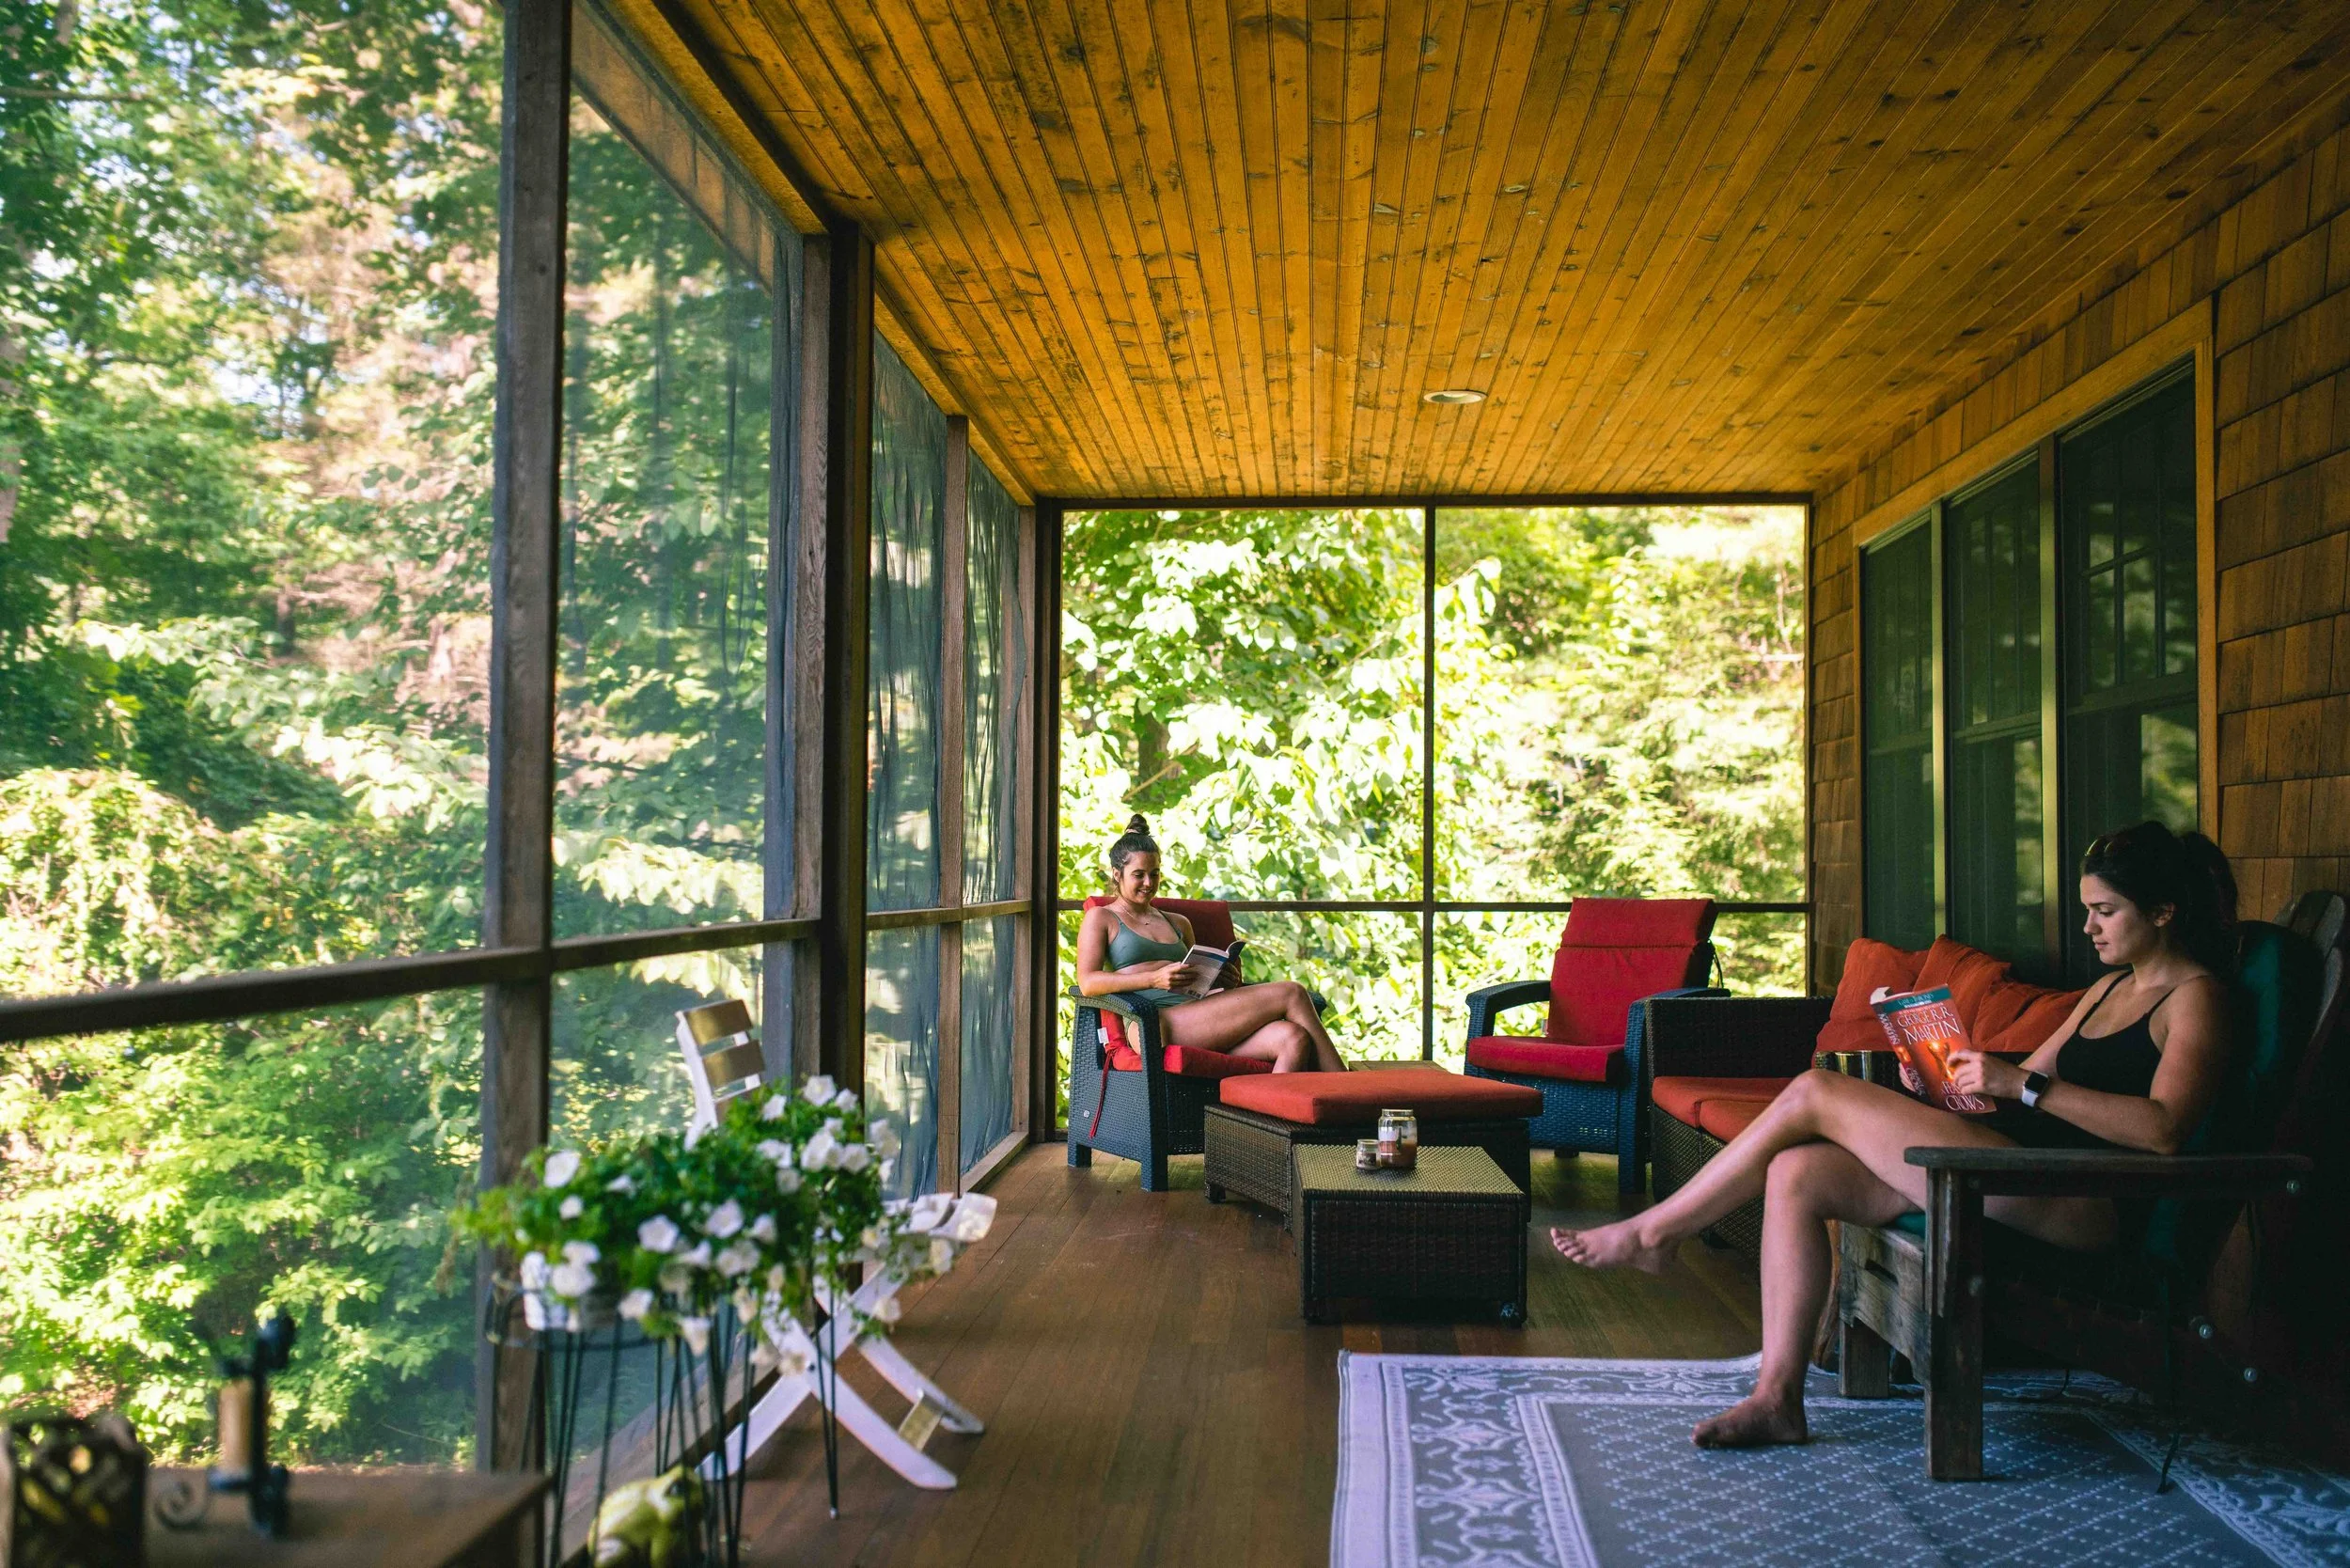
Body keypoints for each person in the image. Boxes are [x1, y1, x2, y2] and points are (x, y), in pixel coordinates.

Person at [1550, 821, 2237, 1448]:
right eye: (2088, 909)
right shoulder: (2107, 991)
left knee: (1816, 1091)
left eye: (2105, 911)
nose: (2088, 926)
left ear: (2163, 913)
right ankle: (1777, 1398)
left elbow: (2164, 1130)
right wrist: (1946, 1083)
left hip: (2086, 1199)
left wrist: (2020, 1086)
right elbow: (2024, 1082)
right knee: (1799, 1174)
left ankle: (1655, 1233)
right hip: (2022, 1165)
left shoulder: (2194, 997)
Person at [1074, 815, 1348, 1073]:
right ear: (1117, 874)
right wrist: (1154, 979)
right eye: (1139, 875)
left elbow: (1198, 983)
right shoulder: (1102, 917)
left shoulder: (1178, 922)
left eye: (1155, 874)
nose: (1149, 883)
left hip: (1202, 1017)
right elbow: (1088, 983)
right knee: (1292, 992)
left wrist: (1222, 980)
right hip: (1157, 1023)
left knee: (1292, 1037)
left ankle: (1267, 1121)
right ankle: (1345, 1091)